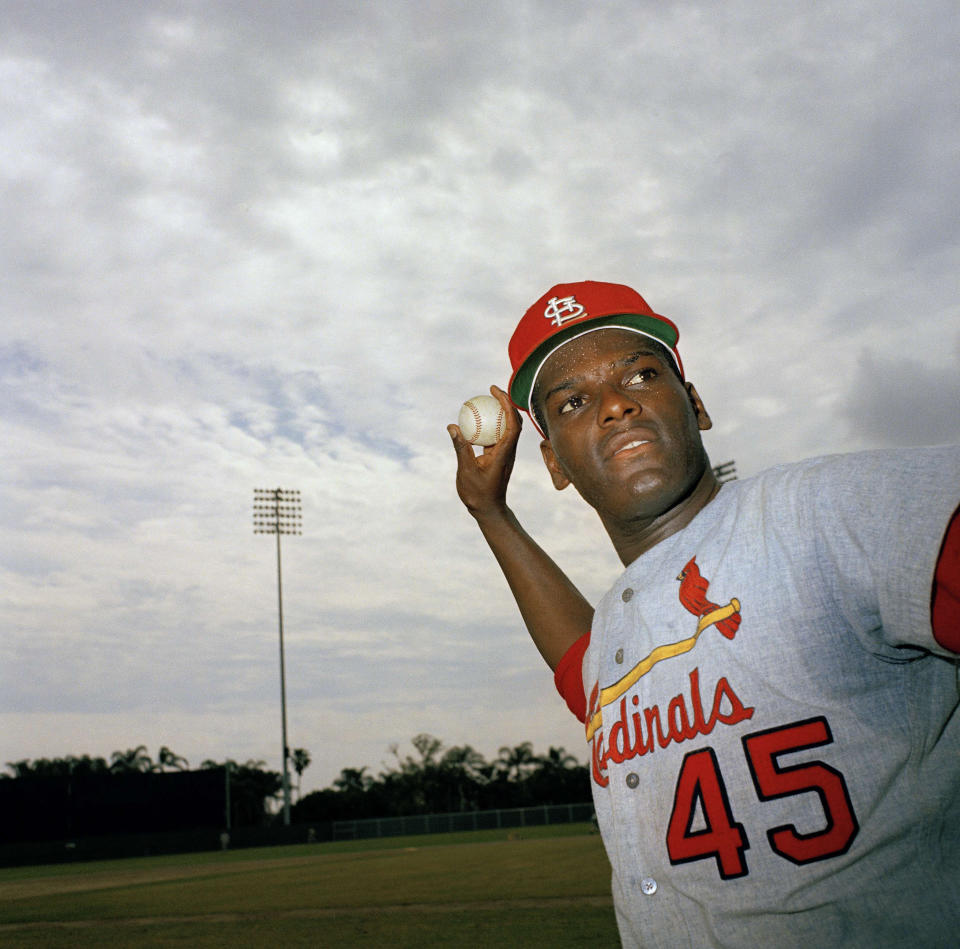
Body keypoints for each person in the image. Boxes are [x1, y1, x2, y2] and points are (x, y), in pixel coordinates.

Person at [448, 280, 960, 948]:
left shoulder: (823, 513)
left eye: (640, 373)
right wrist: (490, 511)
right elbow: (585, 669)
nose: (615, 404)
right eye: (574, 401)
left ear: (695, 404)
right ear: (555, 462)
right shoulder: (624, 636)